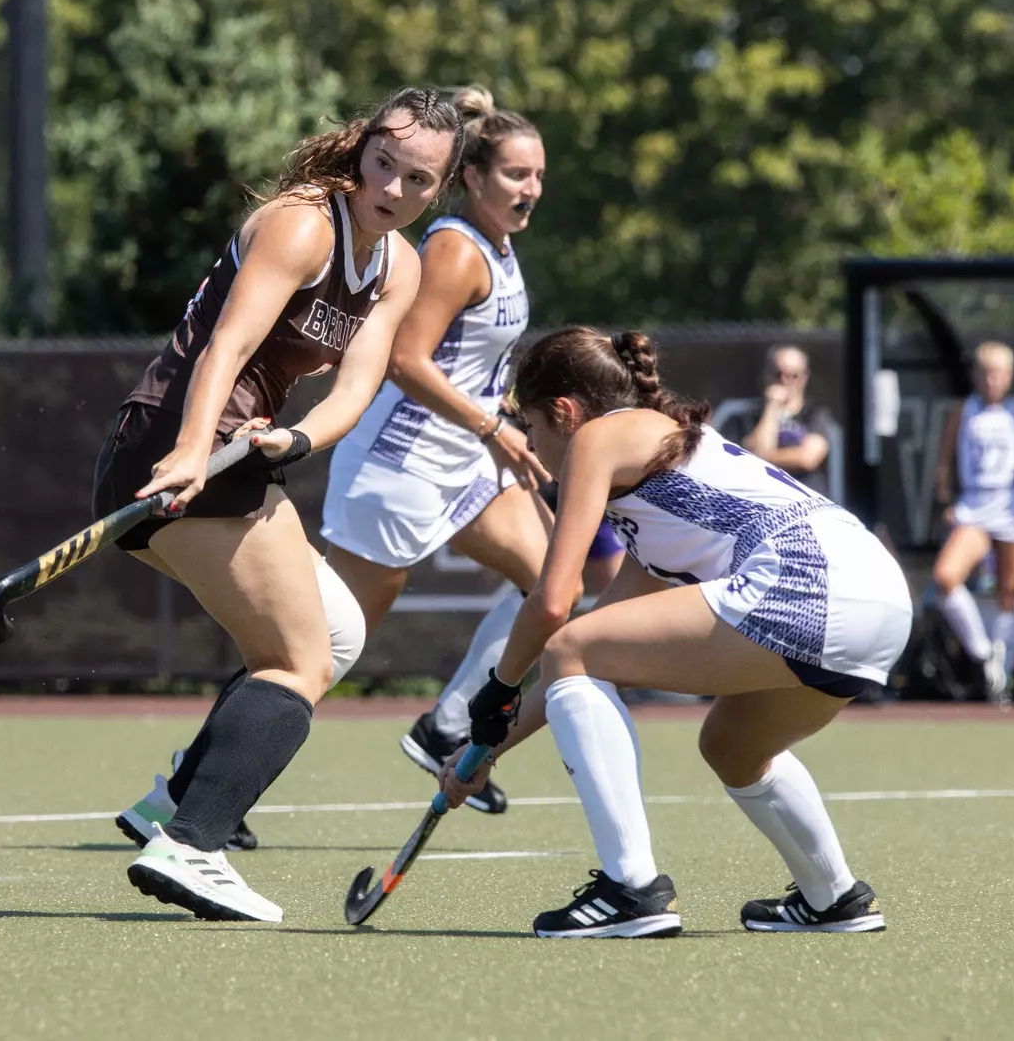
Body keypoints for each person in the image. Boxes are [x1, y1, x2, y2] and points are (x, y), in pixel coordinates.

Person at [94, 88, 464, 922]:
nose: (394, 190)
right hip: (172, 440)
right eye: (384, 165)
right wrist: (191, 450)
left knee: (337, 631)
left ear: (437, 190)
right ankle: (193, 845)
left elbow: (357, 386)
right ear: (362, 151)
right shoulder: (304, 225)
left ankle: (173, 803)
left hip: (238, 451)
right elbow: (224, 344)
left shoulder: (400, 265)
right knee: (299, 659)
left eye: (417, 180)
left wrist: (297, 442)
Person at [438, 326, 911, 938]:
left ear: (564, 411)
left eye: (530, 426)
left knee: (570, 648)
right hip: (880, 596)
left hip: (808, 579)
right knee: (731, 747)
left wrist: (495, 690)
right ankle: (834, 897)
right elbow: (585, 658)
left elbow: (555, 604)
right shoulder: (662, 482)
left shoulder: (599, 438)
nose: (531, 445)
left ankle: (631, 889)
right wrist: (486, 751)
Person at [318, 85, 551, 814]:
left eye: (538, 175)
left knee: (555, 590)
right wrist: (492, 428)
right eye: (515, 174)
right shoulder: (453, 248)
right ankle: (181, 789)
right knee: (320, 647)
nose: (530, 189)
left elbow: (466, 364)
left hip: (462, 465)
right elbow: (406, 361)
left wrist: (502, 415)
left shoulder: (501, 249)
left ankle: (448, 730)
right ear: (473, 178)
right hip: (400, 468)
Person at [932, 341, 1014, 702]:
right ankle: (982, 653)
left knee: (1008, 591)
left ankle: (1002, 677)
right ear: (976, 376)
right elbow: (945, 460)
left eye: (1000, 374)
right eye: (986, 373)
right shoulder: (963, 411)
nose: (993, 381)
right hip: (975, 504)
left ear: (1009, 377)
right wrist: (945, 498)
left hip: (1011, 504)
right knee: (946, 577)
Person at [717, 344, 837, 496]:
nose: (785, 380)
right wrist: (772, 406)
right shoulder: (746, 416)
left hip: (805, 499)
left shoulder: (815, 413)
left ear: (804, 377)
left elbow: (807, 458)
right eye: (778, 374)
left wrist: (763, 456)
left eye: (793, 375)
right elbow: (742, 458)